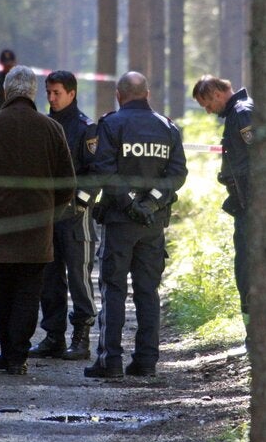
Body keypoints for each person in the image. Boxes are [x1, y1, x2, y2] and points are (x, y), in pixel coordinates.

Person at [0, 65, 76, 375]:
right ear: (34, 93)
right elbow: (68, 183)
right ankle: (18, 355)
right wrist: (52, 210)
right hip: (38, 228)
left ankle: (8, 352)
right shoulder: (52, 129)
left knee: (4, 290)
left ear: (8, 92)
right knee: (28, 292)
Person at [85, 72, 187, 378]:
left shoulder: (112, 124)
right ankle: (146, 361)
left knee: (113, 289)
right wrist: (152, 202)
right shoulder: (167, 127)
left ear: (119, 94)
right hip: (152, 224)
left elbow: (104, 170)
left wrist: (131, 203)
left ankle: (110, 361)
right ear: (147, 93)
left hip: (120, 222)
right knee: (147, 291)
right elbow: (177, 173)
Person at [28, 70, 99, 361]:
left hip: (74, 214)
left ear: (72, 93)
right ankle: (53, 335)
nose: (51, 98)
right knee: (49, 276)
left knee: (79, 275)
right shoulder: (42, 125)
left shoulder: (85, 128)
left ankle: (81, 337)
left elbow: (96, 172)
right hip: (47, 213)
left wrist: (81, 204)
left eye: (57, 92)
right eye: (48, 92)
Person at [192, 75, 253, 358]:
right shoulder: (235, 115)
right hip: (246, 206)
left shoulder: (242, 113)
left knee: (248, 270)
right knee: (244, 269)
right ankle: (252, 337)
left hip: (254, 210)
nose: (207, 110)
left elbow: (258, 161)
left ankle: (255, 340)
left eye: (206, 104)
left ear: (217, 93)